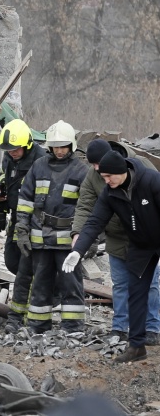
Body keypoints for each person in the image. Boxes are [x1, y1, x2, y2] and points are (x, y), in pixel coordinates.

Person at [66, 150, 160, 362]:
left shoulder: (151, 181)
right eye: (103, 178)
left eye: (109, 176)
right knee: (136, 292)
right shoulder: (110, 193)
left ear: (122, 172)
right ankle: (137, 347)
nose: (106, 181)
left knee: (154, 288)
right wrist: (77, 251)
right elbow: (94, 222)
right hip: (140, 246)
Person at [15, 120, 88, 334]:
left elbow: (88, 209)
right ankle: (38, 326)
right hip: (40, 239)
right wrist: (22, 229)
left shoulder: (81, 171)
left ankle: (73, 327)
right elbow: (25, 200)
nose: (59, 150)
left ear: (72, 146)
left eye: (63, 146)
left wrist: (86, 241)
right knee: (40, 284)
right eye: (55, 146)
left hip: (67, 242)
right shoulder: (39, 166)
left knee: (71, 284)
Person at [0, 119, 46, 333]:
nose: (11, 152)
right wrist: (0, 201)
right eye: (8, 150)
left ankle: (28, 311)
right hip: (15, 217)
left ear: (27, 144)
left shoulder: (40, 161)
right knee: (12, 261)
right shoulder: (10, 157)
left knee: (26, 266)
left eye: (15, 149)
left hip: (34, 221)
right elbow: (7, 178)